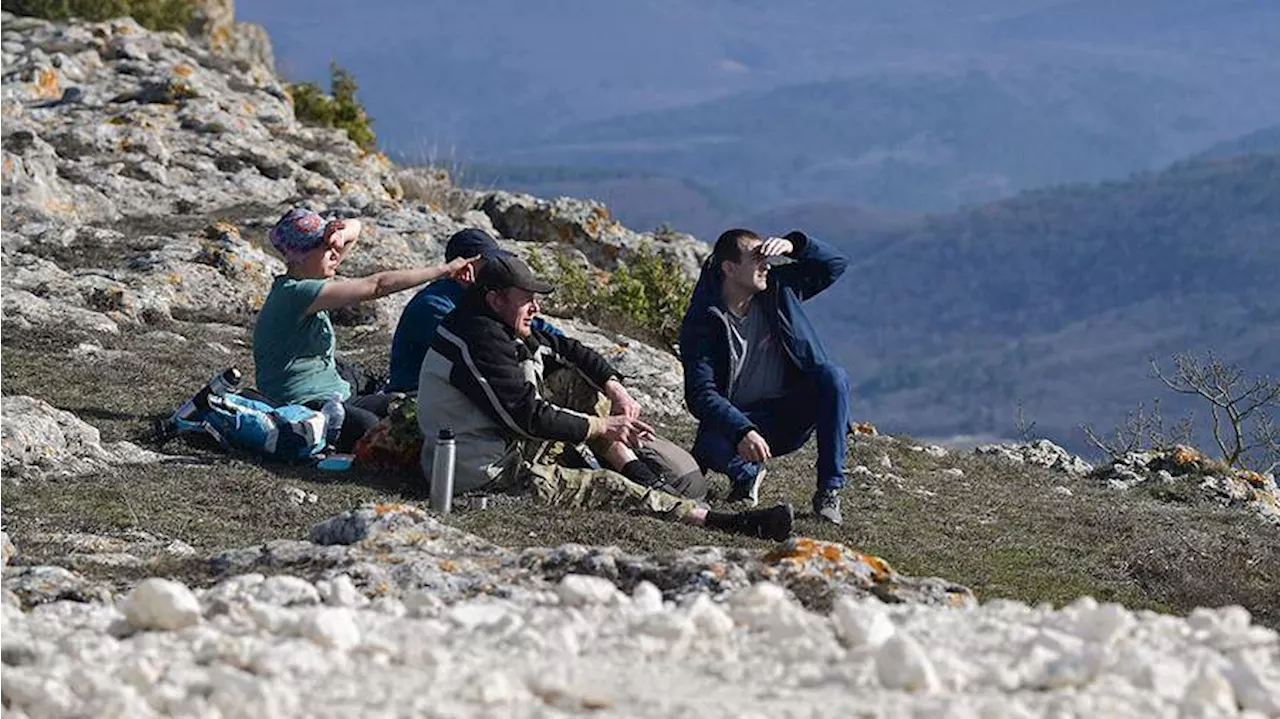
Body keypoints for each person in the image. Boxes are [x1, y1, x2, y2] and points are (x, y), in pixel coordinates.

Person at [416, 253, 792, 539]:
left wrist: (615, 389)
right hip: (484, 472)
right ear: (496, 299)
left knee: (579, 383)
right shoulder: (478, 339)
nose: (536, 306)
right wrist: (601, 427)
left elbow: (569, 349)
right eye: (526, 297)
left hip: (505, 443)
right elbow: (526, 416)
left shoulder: (499, 323)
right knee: (604, 487)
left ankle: (644, 476)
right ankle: (721, 521)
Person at [253, 207, 476, 452]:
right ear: (300, 255)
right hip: (302, 403)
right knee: (374, 428)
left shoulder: (312, 276)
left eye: (334, 248)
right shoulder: (296, 293)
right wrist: (443, 270)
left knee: (401, 407)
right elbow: (377, 286)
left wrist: (337, 234)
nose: (335, 253)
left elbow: (355, 229)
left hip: (336, 394)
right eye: (324, 248)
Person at [679, 228, 851, 524]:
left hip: (788, 413)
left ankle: (829, 491)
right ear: (729, 268)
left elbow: (835, 265)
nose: (766, 265)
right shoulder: (703, 321)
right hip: (739, 423)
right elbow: (700, 393)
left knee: (832, 377)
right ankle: (747, 474)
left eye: (766, 257)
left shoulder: (779, 289)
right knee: (710, 446)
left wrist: (794, 246)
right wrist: (742, 429)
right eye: (757, 258)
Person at [385, 228, 561, 394]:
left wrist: (564, 344)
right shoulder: (433, 305)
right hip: (414, 397)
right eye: (489, 264)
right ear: (463, 267)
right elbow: (481, 345)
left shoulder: (477, 298)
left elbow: (534, 327)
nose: (496, 269)